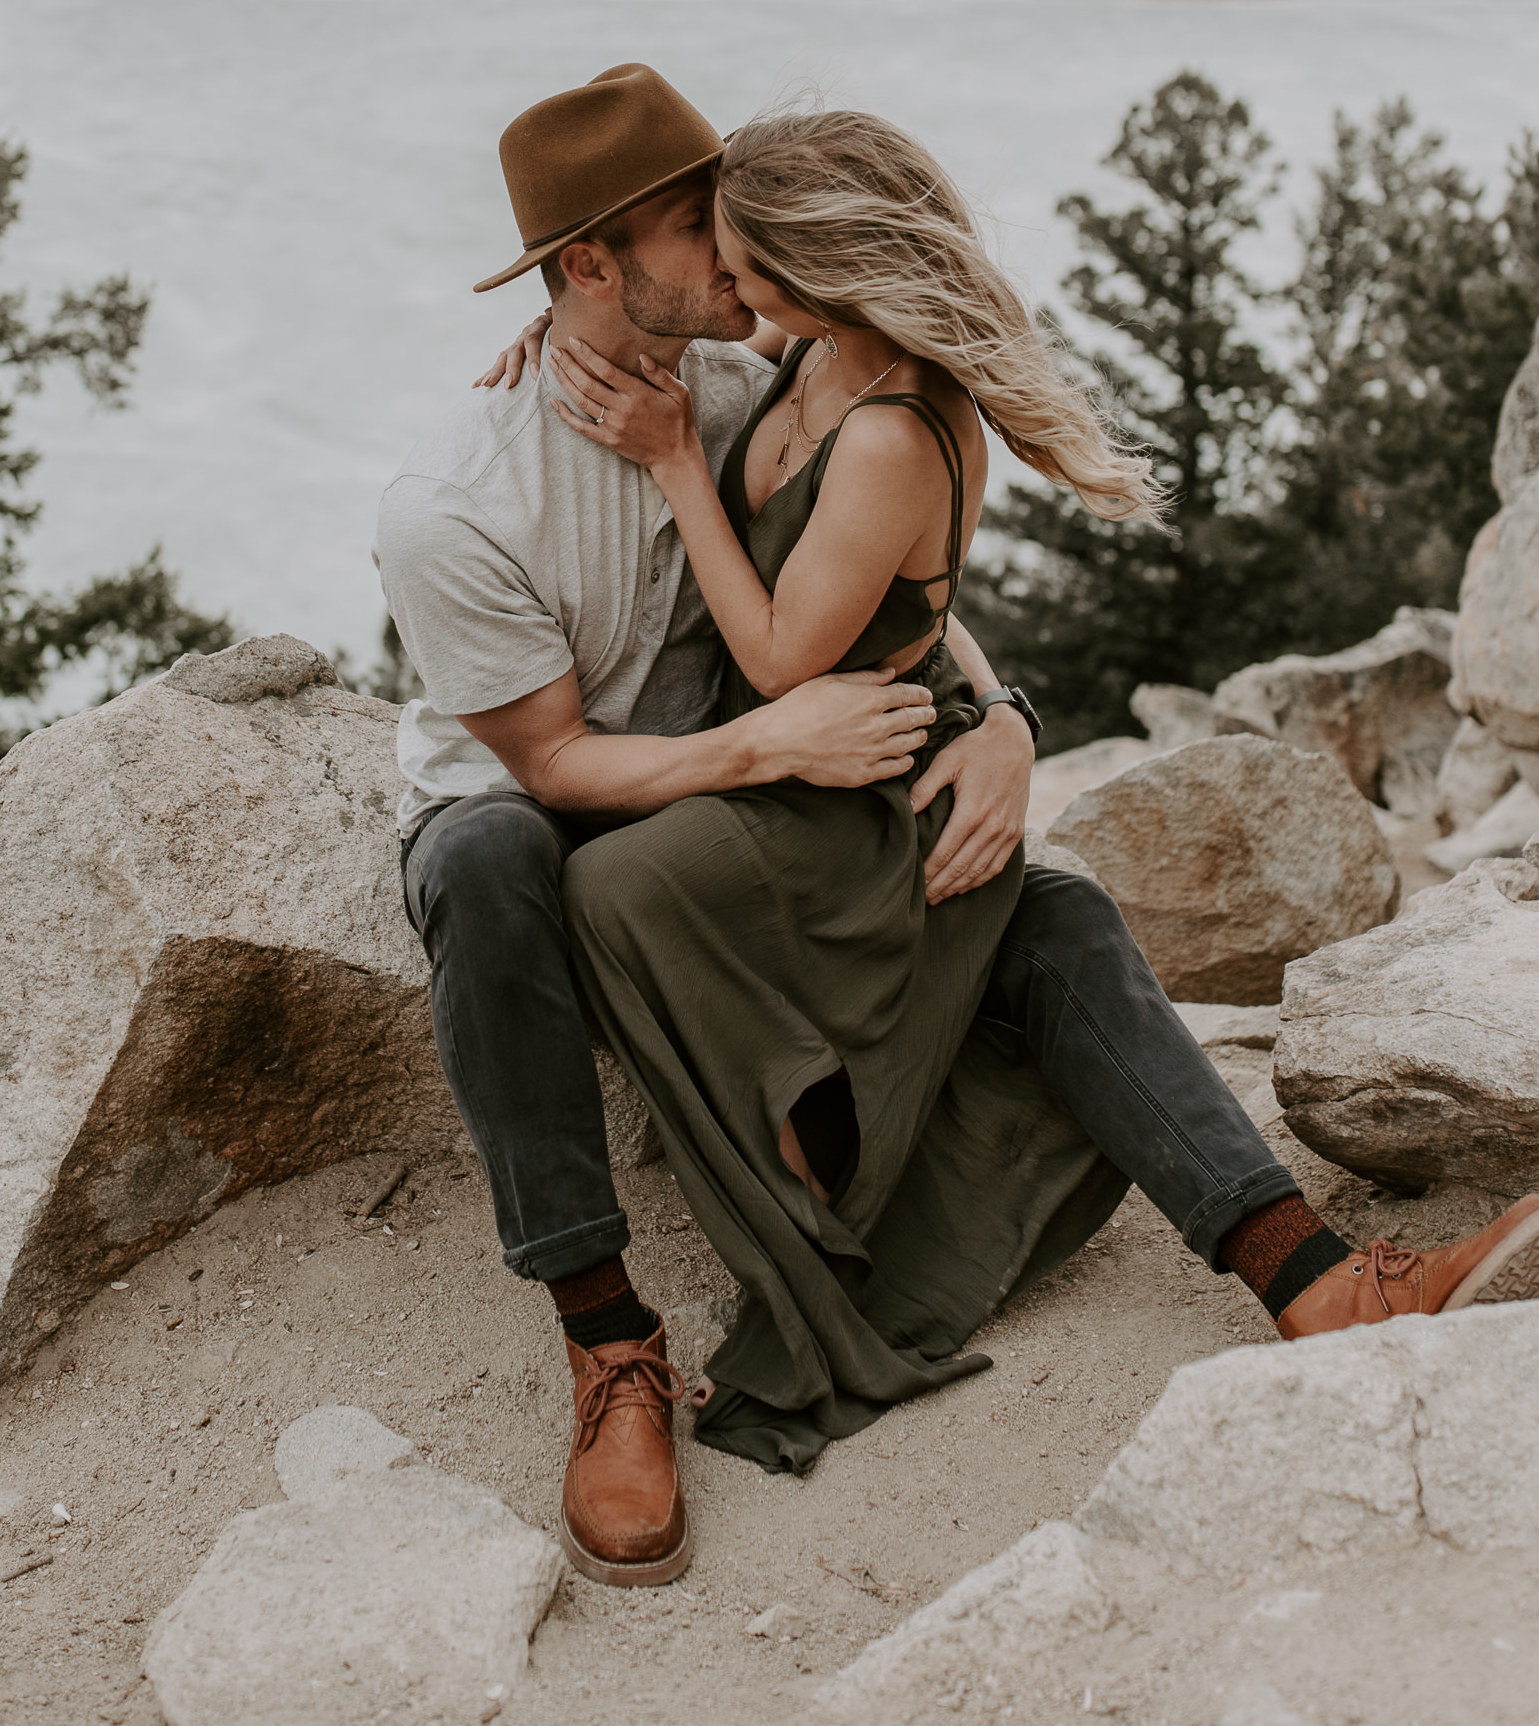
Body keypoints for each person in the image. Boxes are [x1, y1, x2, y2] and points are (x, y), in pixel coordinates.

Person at [523, 101, 1539, 1514]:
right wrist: (548, 335)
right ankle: (1307, 1277)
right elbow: (899, 598)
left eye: (746, 263)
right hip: (848, 760)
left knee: (648, 889)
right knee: (1039, 915)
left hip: (858, 784)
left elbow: (781, 657)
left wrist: (678, 468)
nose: (727, 291)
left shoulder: (890, 427)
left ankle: (1301, 1279)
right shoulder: (804, 352)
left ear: (822, 269)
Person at [375, 64, 1045, 1589]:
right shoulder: (452, 504)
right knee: (488, 872)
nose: (737, 253)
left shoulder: (743, 385)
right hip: (539, 806)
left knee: (1039, 896)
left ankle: (1301, 1268)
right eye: (698, 225)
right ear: (587, 266)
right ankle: (609, 1344)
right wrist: (766, 739)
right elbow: (545, 765)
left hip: (736, 789)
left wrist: (1011, 724)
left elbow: (893, 582)